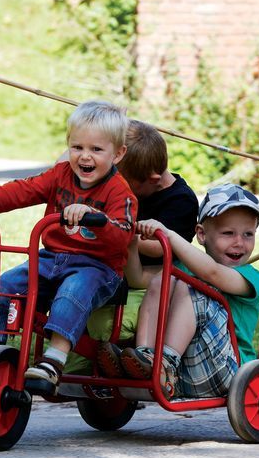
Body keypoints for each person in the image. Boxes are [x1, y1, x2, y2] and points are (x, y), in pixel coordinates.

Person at [0, 100, 136, 411]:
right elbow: (21, 190)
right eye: (77, 147)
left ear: (118, 154)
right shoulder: (59, 175)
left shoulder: (118, 191)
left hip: (99, 268)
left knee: (75, 289)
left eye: (97, 150)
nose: (85, 156)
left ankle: (54, 359)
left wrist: (95, 218)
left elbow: (123, 233)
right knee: (3, 286)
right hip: (52, 258)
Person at [105, 183, 259, 399]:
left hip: (229, 372)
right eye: (228, 233)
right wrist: (132, 243)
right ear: (201, 234)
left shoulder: (251, 278)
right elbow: (137, 278)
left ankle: (165, 364)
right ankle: (146, 359)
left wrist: (170, 237)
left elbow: (212, 273)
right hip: (181, 376)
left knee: (191, 285)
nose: (239, 243)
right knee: (163, 279)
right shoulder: (184, 270)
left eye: (248, 234)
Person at [67, 119, 198, 375]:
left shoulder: (181, 201)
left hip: (152, 280)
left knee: (108, 323)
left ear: (153, 179)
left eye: (123, 182)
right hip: (112, 269)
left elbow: (161, 248)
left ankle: (125, 362)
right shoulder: (115, 182)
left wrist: (117, 230)